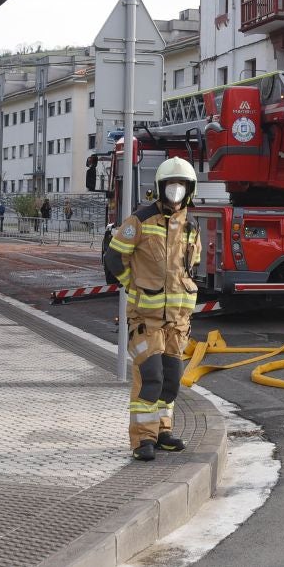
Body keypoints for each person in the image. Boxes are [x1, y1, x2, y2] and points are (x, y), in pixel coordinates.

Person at [105, 158, 201, 462]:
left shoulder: (191, 226)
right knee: (151, 378)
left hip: (177, 322)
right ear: (160, 187)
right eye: (172, 184)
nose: (176, 190)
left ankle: (162, 433)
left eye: (182, 185)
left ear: (189, 190)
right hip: (146, 319)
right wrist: (132, 285)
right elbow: (113, 258)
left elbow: (189, 268)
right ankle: (141, 440)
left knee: (171, 380)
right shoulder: (140, 220)